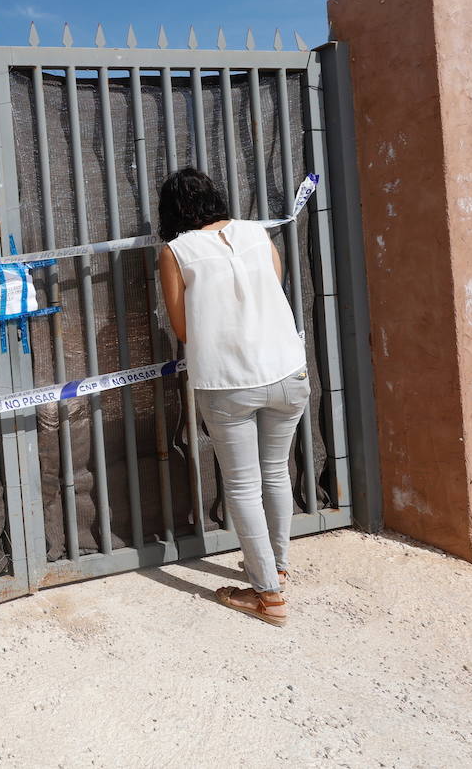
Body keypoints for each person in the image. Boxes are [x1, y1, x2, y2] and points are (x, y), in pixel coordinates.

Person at [156, 168, 308, 627]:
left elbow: (182, 329)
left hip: (228, 381)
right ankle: (275, 567)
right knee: (276, 471)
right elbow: (273, 289)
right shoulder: (257, 233)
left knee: (243, 485)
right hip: (287, 370)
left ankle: (268, 596)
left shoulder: (175, 252)